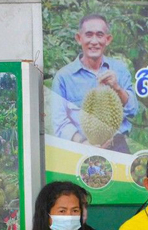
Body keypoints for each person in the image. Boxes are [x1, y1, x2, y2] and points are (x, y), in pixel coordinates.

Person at [51, 14, 138, 152]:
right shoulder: (64, 77)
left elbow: (133, 111)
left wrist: (117, 88)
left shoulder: (119, 70)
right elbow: (59, 121)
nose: (94, 41)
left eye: (99, 35)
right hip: (80, 147)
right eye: (89, 35)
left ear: (107, 39)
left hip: (118, 147)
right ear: (79, 38)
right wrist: (84, 143)